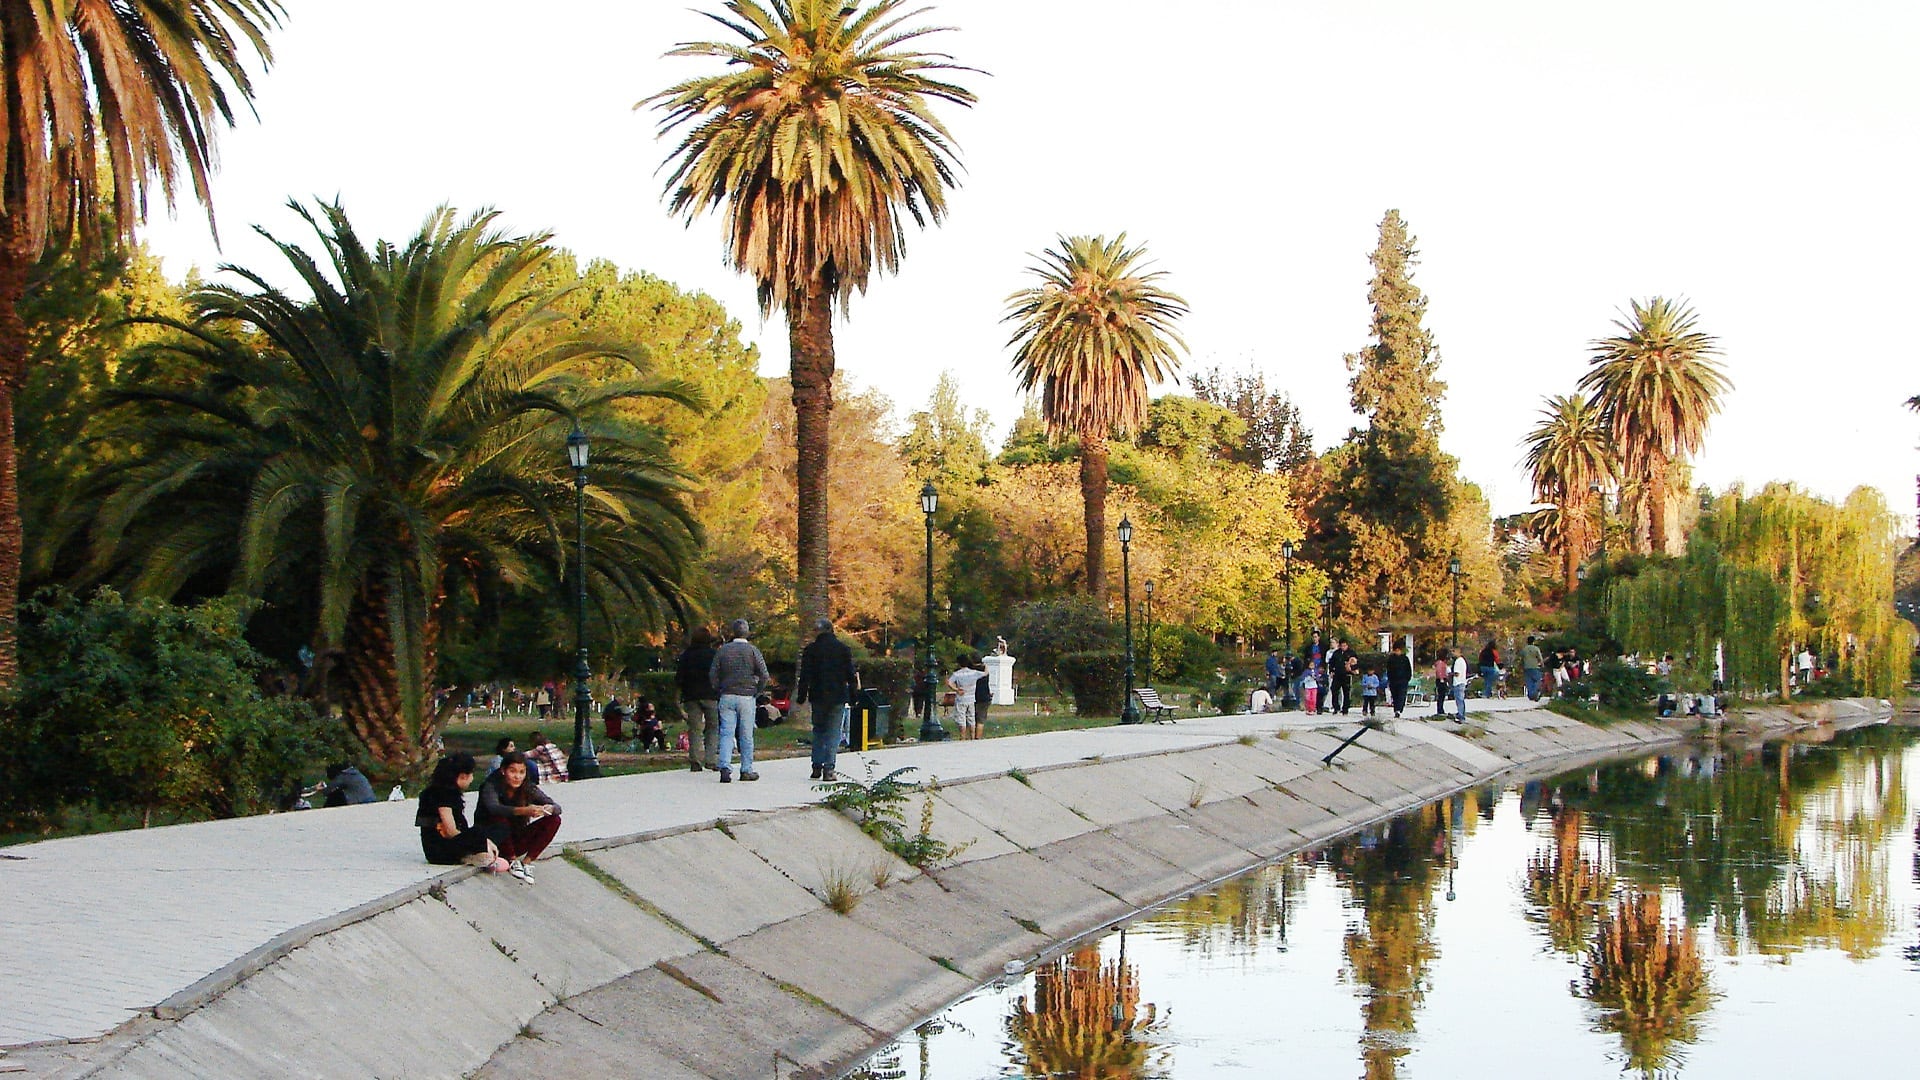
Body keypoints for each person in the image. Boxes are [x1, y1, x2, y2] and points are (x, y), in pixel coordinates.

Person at [476, 751, 562, 884]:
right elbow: (493, 807)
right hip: (493, 840)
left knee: (554, 820)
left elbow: (556, 807)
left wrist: (547, 809)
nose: (517, 777)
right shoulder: (491, 785)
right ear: (503, 771)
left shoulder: (527, 787)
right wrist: (523, 811)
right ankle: (512, 860)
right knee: (499, 817)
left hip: (516, 837)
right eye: (513, 771)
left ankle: (527, 862)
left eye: (522, 772)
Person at [417, 753, 508, 872]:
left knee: (500, 827)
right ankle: (475, 855)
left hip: (452, 843)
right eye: (471, 775)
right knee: (478, 832)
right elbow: (450, 831)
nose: (472, 779)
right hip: (439, 851)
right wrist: (481, 840)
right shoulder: (441, 795)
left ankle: (480, 853)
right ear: (462, 776)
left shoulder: (451, 793)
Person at [797, 617, 858, 779]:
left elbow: (805, 675)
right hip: (838, 695)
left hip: (817, 695)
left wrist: (801, 696)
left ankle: (816, 765)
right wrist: (853, 696)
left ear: (818, 632)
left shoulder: (811, 650)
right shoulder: (843, 649)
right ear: (832, 630)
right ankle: (829, 768)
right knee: (833, 732)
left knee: (818, 730)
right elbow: (850, 675)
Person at [709, 618, 769, 783]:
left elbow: (713, 674)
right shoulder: (752, 651)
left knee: (726, 733)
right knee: (746, 734)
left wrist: (719, 689)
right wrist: (757, 691)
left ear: (733, 632)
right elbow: (764, 675)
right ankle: (746, 769)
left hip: (727, 695)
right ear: (747, 632)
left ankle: (725, 766)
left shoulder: (723, 651)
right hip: (746, 696)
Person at [675, 625, 721, 773]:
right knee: (713, 728)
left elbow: (679, 678)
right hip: (711, 695)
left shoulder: (686, 656)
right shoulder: (714, 655)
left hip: (691, 696)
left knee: (695, 729)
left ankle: (695, 760)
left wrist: (678, 697)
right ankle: (711, 760)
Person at [947, 658, 986, 737]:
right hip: (971, 699)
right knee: (971, 718)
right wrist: (985, 665)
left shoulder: (957, 674)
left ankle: (963, 736)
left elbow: (949, 683)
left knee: (961, 719)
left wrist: (956, 689)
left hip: (961, 699)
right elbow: (985, 673)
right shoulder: (974, 673)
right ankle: (972, 736)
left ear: (959, 664)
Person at [309, 762, 376, 807]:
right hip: (371, 799)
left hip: (360, 802)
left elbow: (327, 791)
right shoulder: (356, 773)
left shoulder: (343, 776)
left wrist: (319, 788)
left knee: (336, 795)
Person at [1385, 649, 1412, 719]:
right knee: (1395, 695)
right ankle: (1396, 709)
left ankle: (1399, 709)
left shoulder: (1405, 659)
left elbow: (1408, 669)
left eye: (1399, 650)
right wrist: (1390, 679)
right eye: (1396, 650)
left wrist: (1407, 678)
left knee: (1401, 695)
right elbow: (1388, 669)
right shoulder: (1391, 659)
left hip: (1403, 680)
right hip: (1393, 680)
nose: (1397, 652)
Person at [1327, 639, 1353, 715]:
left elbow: (1355, 663)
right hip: (1337, 675)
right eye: (1341, 646)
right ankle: (1336, 707)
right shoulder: (1336, 653)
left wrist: (1352, 670)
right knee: (1334, 690)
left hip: (1346, 675)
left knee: (1346, 692)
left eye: (1344, 646)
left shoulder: (1351, 653)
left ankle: (1345, 709)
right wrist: (1331, 671)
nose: (1343, 647)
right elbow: (1331, 663)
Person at [973, 657, 993, 736]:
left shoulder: (972, 672)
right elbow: (986, 671)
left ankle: (971, 736)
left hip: (974, 696)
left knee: (972, 719)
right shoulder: (985, 672)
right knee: (980, 720)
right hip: (985, 697)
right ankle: (978, 737)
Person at [1521, 636, 1545, 701]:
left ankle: (1530, 694)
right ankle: (1534, 693)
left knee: (1529, 681)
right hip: (1535, 667)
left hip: (1526, 667)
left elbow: (1521, 659)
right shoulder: (1536, 649)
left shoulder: (1524, 649)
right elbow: (1540, 658)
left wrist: (1522, 666)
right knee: (1537, 680)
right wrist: (1542, 665)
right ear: (1533, 641)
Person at [1451, 649, 1470, 720]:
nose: (1452, 653)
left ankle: (1460, 715)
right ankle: (1461, 713)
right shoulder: (1463, 660)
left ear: (1459, 652)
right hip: (1462, 682)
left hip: (1458, 682)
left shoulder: (1458, 661)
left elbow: (1457, 673)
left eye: (1454, 651)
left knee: (1459, 700)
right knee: (1461, 699)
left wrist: (1450, 674)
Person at [1433, 653, 1451, 718]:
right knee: (1441, 695)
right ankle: (1440, 710)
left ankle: (1441, 709)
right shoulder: (1440, 663)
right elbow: (1439, 671)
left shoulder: (1442, 663)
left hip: (1443, 679)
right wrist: (1441, 679)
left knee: (1442, 695)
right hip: (1441, 680)